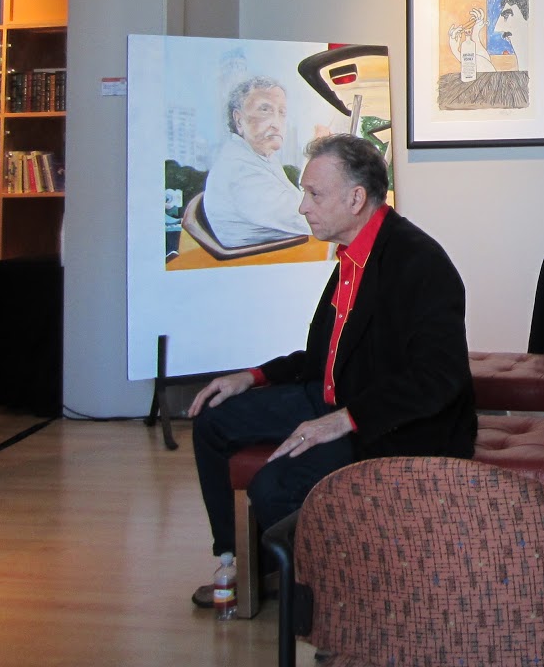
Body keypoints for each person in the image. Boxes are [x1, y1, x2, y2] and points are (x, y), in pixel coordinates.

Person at [185, 133, 476, 607]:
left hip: (385, 421)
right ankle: (239, 559)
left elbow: (439, 378)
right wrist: (253, 376)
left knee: (273, 485)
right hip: (333, 398)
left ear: (356, 198)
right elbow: (323, 358)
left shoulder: (418, 262)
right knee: (213, 420)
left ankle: (330, 600)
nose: (302, 207)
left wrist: (345, 419)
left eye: (314, 194)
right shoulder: (351, 254)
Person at [201, 76, 310, 249]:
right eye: (265, 110)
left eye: (282, 112)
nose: (277, 124)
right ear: (239, 120)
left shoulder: (260, 157)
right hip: (269, 259)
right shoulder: (239, 169)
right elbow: (311, 219)